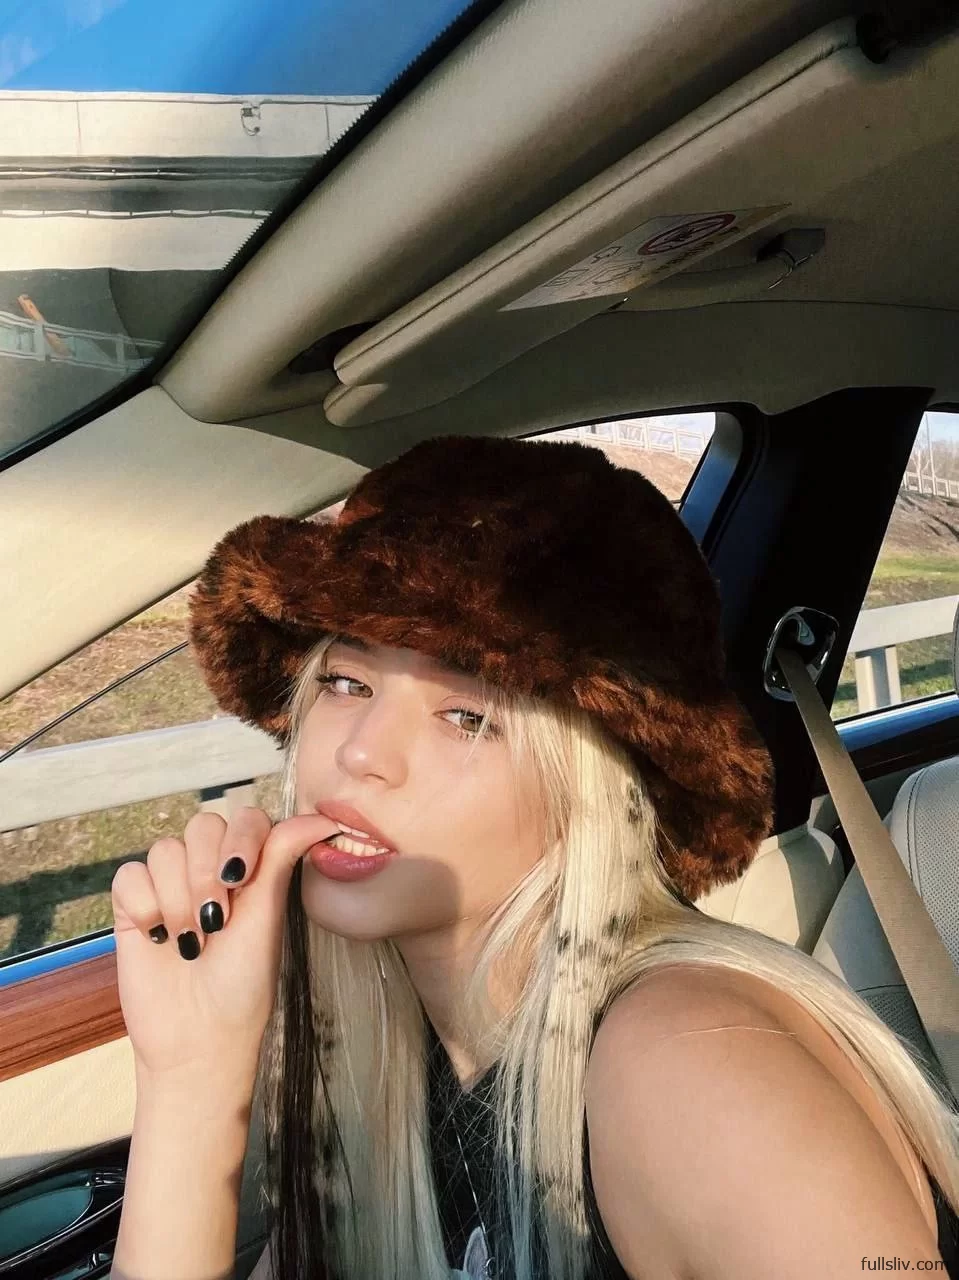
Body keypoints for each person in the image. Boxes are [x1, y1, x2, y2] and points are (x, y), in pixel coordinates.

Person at [109, 433, 959, 1280]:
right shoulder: (391, 1060)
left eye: (468, 717)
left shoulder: (687, 1061)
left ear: (586, 789)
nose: (360, 751)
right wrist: (192, 1079)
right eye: (346, 683)